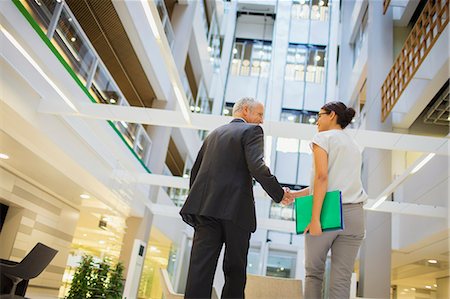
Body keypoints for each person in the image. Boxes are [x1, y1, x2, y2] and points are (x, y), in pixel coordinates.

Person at [180, 97, 293, 298]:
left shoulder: (213, 135)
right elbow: (257, 167)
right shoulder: (252, 131)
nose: (261, 121)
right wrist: (279, 194)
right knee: (235, 270)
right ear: (246, 111)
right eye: (259, 114)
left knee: (200, 269)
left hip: (205, 211)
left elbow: (195, 174)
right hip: (235, 211)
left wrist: (200, 202)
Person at [285, 101, 367, 299]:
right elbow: (330, 184)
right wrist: (292, 195)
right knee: (342, 279)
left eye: (319, 115)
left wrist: (315, 219)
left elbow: (321, 178)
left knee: (314, 274)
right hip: (355, 216)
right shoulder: (353, 145)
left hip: (327, 213)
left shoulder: (322, 138)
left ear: (331, 115)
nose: (317, 122)